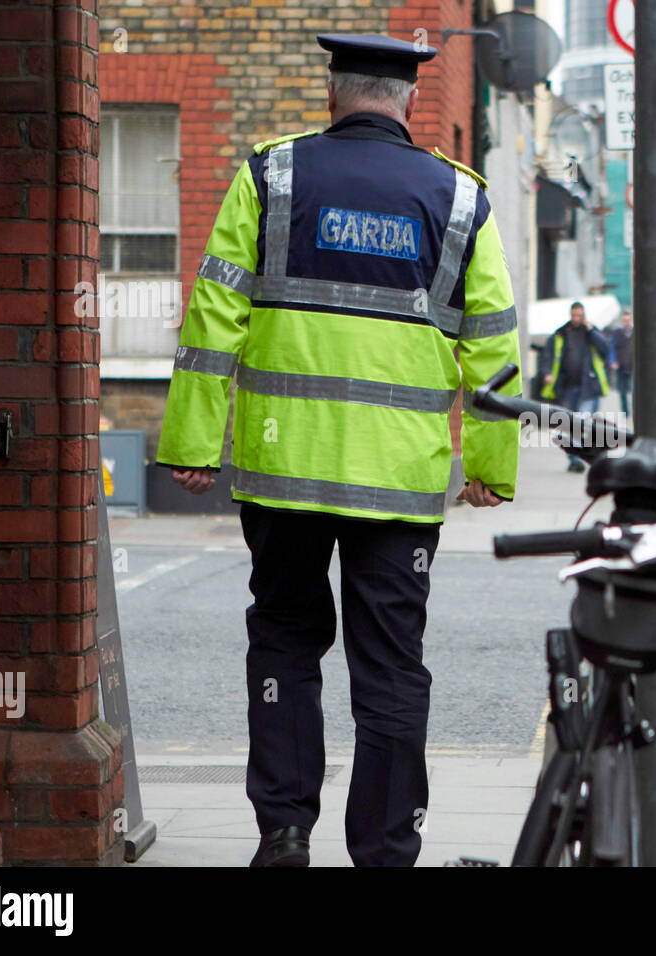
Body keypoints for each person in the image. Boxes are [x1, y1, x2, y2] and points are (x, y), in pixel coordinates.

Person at [155, 33, 521, 868]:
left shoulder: (271, 176)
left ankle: (284, 833)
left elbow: (214, 316)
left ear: (331, 92)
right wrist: (493, 465)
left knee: (284, 643)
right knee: (391, 667)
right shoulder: (460, 200)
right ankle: (385, 850)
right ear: (410, 103)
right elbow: (493, 347)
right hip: (398, 484)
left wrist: (192, 443)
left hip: (283, 473)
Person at [539, 301, 612, 472]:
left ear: (584, 316)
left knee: (583, 421)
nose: (576, 318)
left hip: (588, 387)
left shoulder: (590, 333)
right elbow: (548, 356)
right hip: (567, 386)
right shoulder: (561, 334)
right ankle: (574, 457)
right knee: (569, 424)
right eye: (574, 315)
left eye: (579, 315)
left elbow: (606, 348)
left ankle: (581, 457)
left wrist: (591, 330)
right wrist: (547, 373)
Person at [610, 309, 634, 417]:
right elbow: (612, 348)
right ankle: (625, 412)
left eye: (628, 320)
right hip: (621, 365)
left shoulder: (634, 332)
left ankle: (635, 409)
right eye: (624, 320)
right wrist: (613, 361)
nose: (626, 322)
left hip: (633, 365)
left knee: (634, 389)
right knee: (622, 391)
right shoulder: (617, 333)